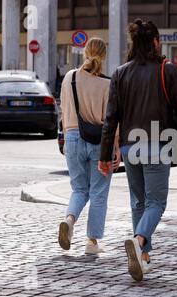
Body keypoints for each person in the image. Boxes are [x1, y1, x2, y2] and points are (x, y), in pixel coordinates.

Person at [98, 19, 177, 282]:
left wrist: (104, 155)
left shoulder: (120, 72)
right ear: (156, 42)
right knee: (156, 203)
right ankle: (139, 242)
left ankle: (144, 257)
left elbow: (110, 118)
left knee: (139, 202)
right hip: (156, 145)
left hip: (128, 146)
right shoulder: (167, 69)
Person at [58, 38, 121, 255]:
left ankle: (69, 220)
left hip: (73, 138)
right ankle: (92, 243)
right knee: (98, 193)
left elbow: (63, 111)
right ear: (104, 56)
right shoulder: (107, 84)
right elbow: (112, 120)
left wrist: (67, 137)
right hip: (100, 143)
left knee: (79, 189)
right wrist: (117, 147)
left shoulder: (69, 78)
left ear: (85, 52)